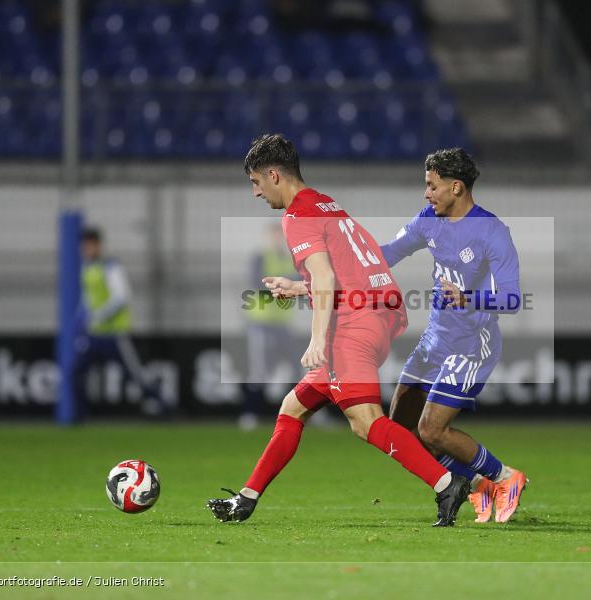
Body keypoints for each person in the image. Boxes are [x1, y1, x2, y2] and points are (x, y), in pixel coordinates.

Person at [207, 134, 470, 526]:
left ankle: (447, 483)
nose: (255, 193)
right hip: (373, 313)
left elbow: (327, 278)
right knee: (292, 409)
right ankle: (246, 498)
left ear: (274, 175)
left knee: (366, 422)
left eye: (256, 183)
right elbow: (351, 268)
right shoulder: (325, 203)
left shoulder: (297, 216)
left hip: (351, 325)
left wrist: (316, 339)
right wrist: (298, 287)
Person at [380, 148, 528, 523]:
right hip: (435, 340)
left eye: (432, 186)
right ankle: (476, 484)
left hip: (471, 346)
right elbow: (388, 254)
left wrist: (469, 298)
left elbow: (511, 298)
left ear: (456, 187)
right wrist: (341, 259)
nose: (426, 194)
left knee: (431, 429)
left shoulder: (492, 232)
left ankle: (506, 477)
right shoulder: (429, 220)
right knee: (401, 428)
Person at [75, 227, 168, 419]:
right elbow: (87, 299)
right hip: (93, 334)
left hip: (115, 333)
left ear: (98, 245)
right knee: (76, 372)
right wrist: (80, 321)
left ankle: (164, 407)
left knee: (134, 375)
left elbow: (122, 297)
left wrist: (100, 315)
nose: (86, 249)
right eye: (84, 245)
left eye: (90, 245)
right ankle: (79, 415)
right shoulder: (85, 268)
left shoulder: (110, 266)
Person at [240, 222, 298, 430]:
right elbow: (258, 283)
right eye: (273, 235)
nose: (276, 239)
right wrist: (287, 286)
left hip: (282, 323)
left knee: (297, 367)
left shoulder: (289, 259)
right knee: (259, 370)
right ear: (267, 237)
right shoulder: (261, 257)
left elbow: (301, 282)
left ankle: (306, 414)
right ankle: (250, 413)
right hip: (261, 322)